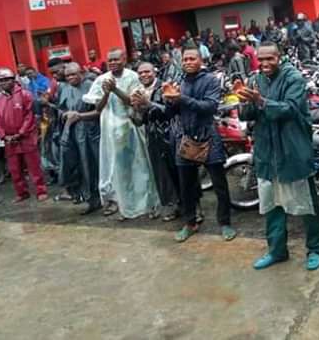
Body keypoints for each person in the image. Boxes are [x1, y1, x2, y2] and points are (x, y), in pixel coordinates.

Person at [239, 42, 319, 271]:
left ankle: (315, 249)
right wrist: (245, 101)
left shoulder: (293, 77)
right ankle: (277, 251)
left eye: (270, 59)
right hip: (267, 151)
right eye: (261, 59)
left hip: (292, 148)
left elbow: (289, 109)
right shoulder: (255, 79)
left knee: (305, 204)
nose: (265, 64)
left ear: (280, 57)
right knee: (271, 205)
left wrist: (260, 101)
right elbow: (247, 114)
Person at [163, 46, 236, 243]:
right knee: (186, 185)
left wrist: (181, 98)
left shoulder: (211, 80)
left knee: (219, 184)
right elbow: (171, 114)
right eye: (185, 59)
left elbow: (210, 107)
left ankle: (225, 222)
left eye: (192, 58)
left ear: (200, 60)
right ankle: (190, 222)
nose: (188, 62)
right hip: (185, 137)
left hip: (208, 135)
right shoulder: (178, 82)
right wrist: (169, 101)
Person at [83, 48, 160, 220]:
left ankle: (150, 205)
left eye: (116, 59)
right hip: (111, 131)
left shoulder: (133, 77)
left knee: (141, 168)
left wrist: (116, 90)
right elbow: (98, 108)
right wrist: (106, 92)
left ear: (124, 59)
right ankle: (126, 207)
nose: (113, 63)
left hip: (131, 128)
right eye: (110, 60)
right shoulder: (101, 79)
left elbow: (134, 103)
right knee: (119, 172)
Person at [131, 62, 180, 221]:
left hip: (171, 134)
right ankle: (173, 206)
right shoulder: (138, 92)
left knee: (180, 172)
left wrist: (148, 103)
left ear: (155, 72)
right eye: (140, 72)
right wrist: (136, 110)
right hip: (153, 137)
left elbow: (169, 111)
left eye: (147, 71)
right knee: (162, 174)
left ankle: (193, 207)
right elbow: (139, 121)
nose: (144, 75)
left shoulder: (164, 87)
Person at [0, 68, 49, 203]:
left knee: (33, 166)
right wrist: (3, 136)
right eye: (0, 81)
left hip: (26, 137)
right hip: (9, 140)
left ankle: (41, 190)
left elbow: (29, 116)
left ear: (13, 80)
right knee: (14, 169)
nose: (4, 83)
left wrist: (20, 133)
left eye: (7, 79)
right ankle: (21, 192)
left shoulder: (25, 95)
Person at [53, 62, 102, 214]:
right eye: (68, 75)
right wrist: (65, 115)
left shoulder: (91, 85)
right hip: (72, 131)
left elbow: (100, 110)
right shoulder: (64, 88)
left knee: (93, 164)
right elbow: (60, 109)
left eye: (74, 74)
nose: (71, 78)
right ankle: (86, 197)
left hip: (90, 131)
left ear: (81, 73)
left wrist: (79, 116)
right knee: (76, 165)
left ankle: (102, 198)